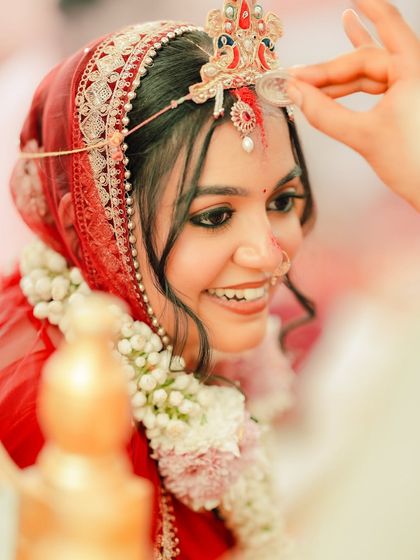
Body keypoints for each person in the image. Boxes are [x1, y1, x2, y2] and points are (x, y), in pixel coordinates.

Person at [0, 0, 418, 559]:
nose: (271, 256)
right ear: (94, 224)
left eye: (283, 201)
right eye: (214, 216)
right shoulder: (56, 412)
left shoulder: (192, 342)